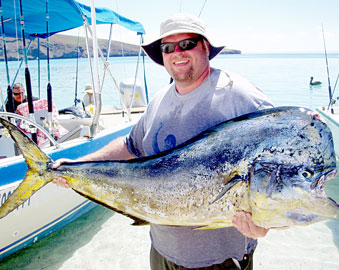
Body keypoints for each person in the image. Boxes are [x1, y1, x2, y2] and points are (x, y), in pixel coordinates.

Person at [53, 13, 273, 270]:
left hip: (220, 261)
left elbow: (273, 171)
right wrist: (77, 165)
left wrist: (264, 224)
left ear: (205, 46)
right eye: (168, 48)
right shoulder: (159, 100)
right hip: (162, 253)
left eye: (187, 44)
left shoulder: (241, 97)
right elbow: (130, 146)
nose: (177, 52)